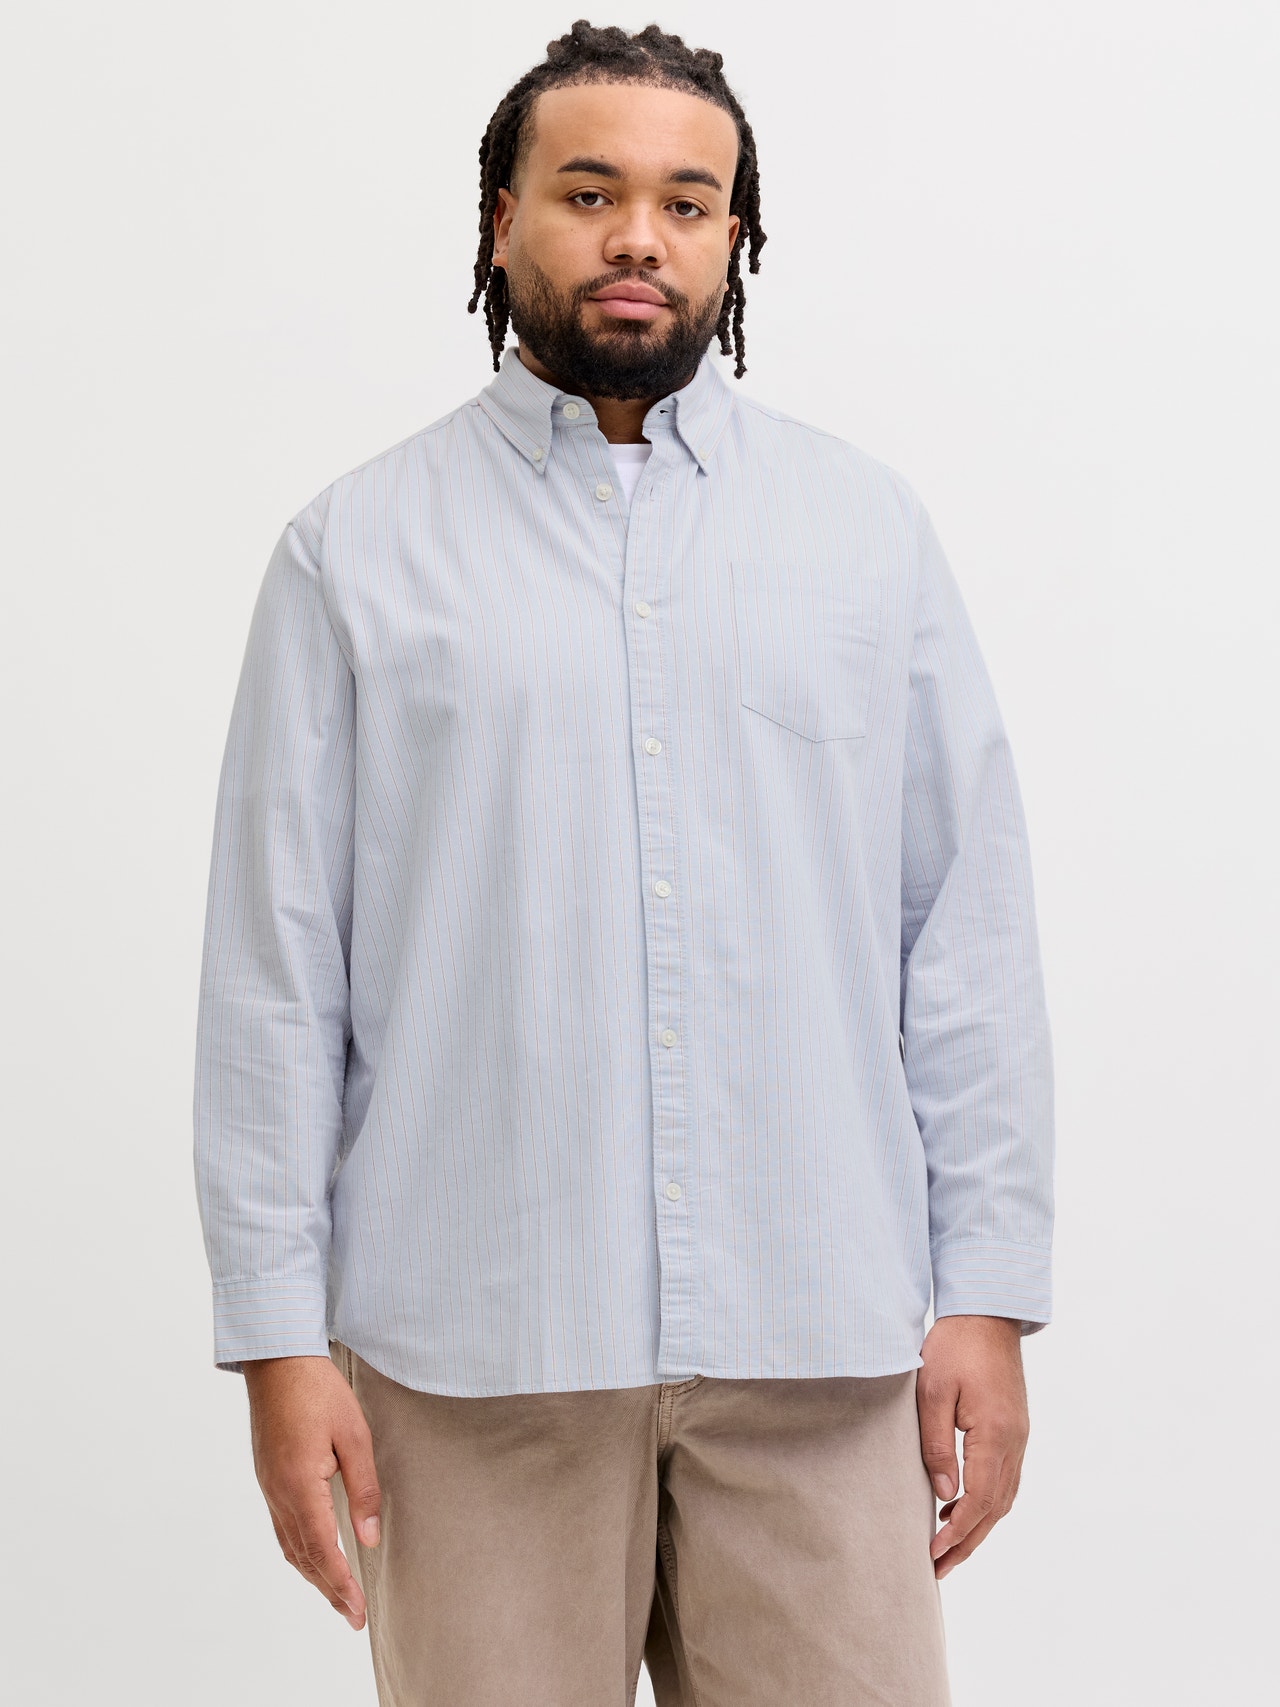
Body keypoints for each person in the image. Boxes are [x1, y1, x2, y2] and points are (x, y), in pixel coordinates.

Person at [194, 19, 1055, 1706]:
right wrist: (277, 1342)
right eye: (590, 193)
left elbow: (962, 934)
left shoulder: (863, 535)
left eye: (687, 201)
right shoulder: (353, 553)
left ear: (736, 235)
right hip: (473, 1357)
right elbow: (276, 977)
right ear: (504, 217)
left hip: (824, 1345)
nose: (638, 238)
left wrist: (991, 1297)